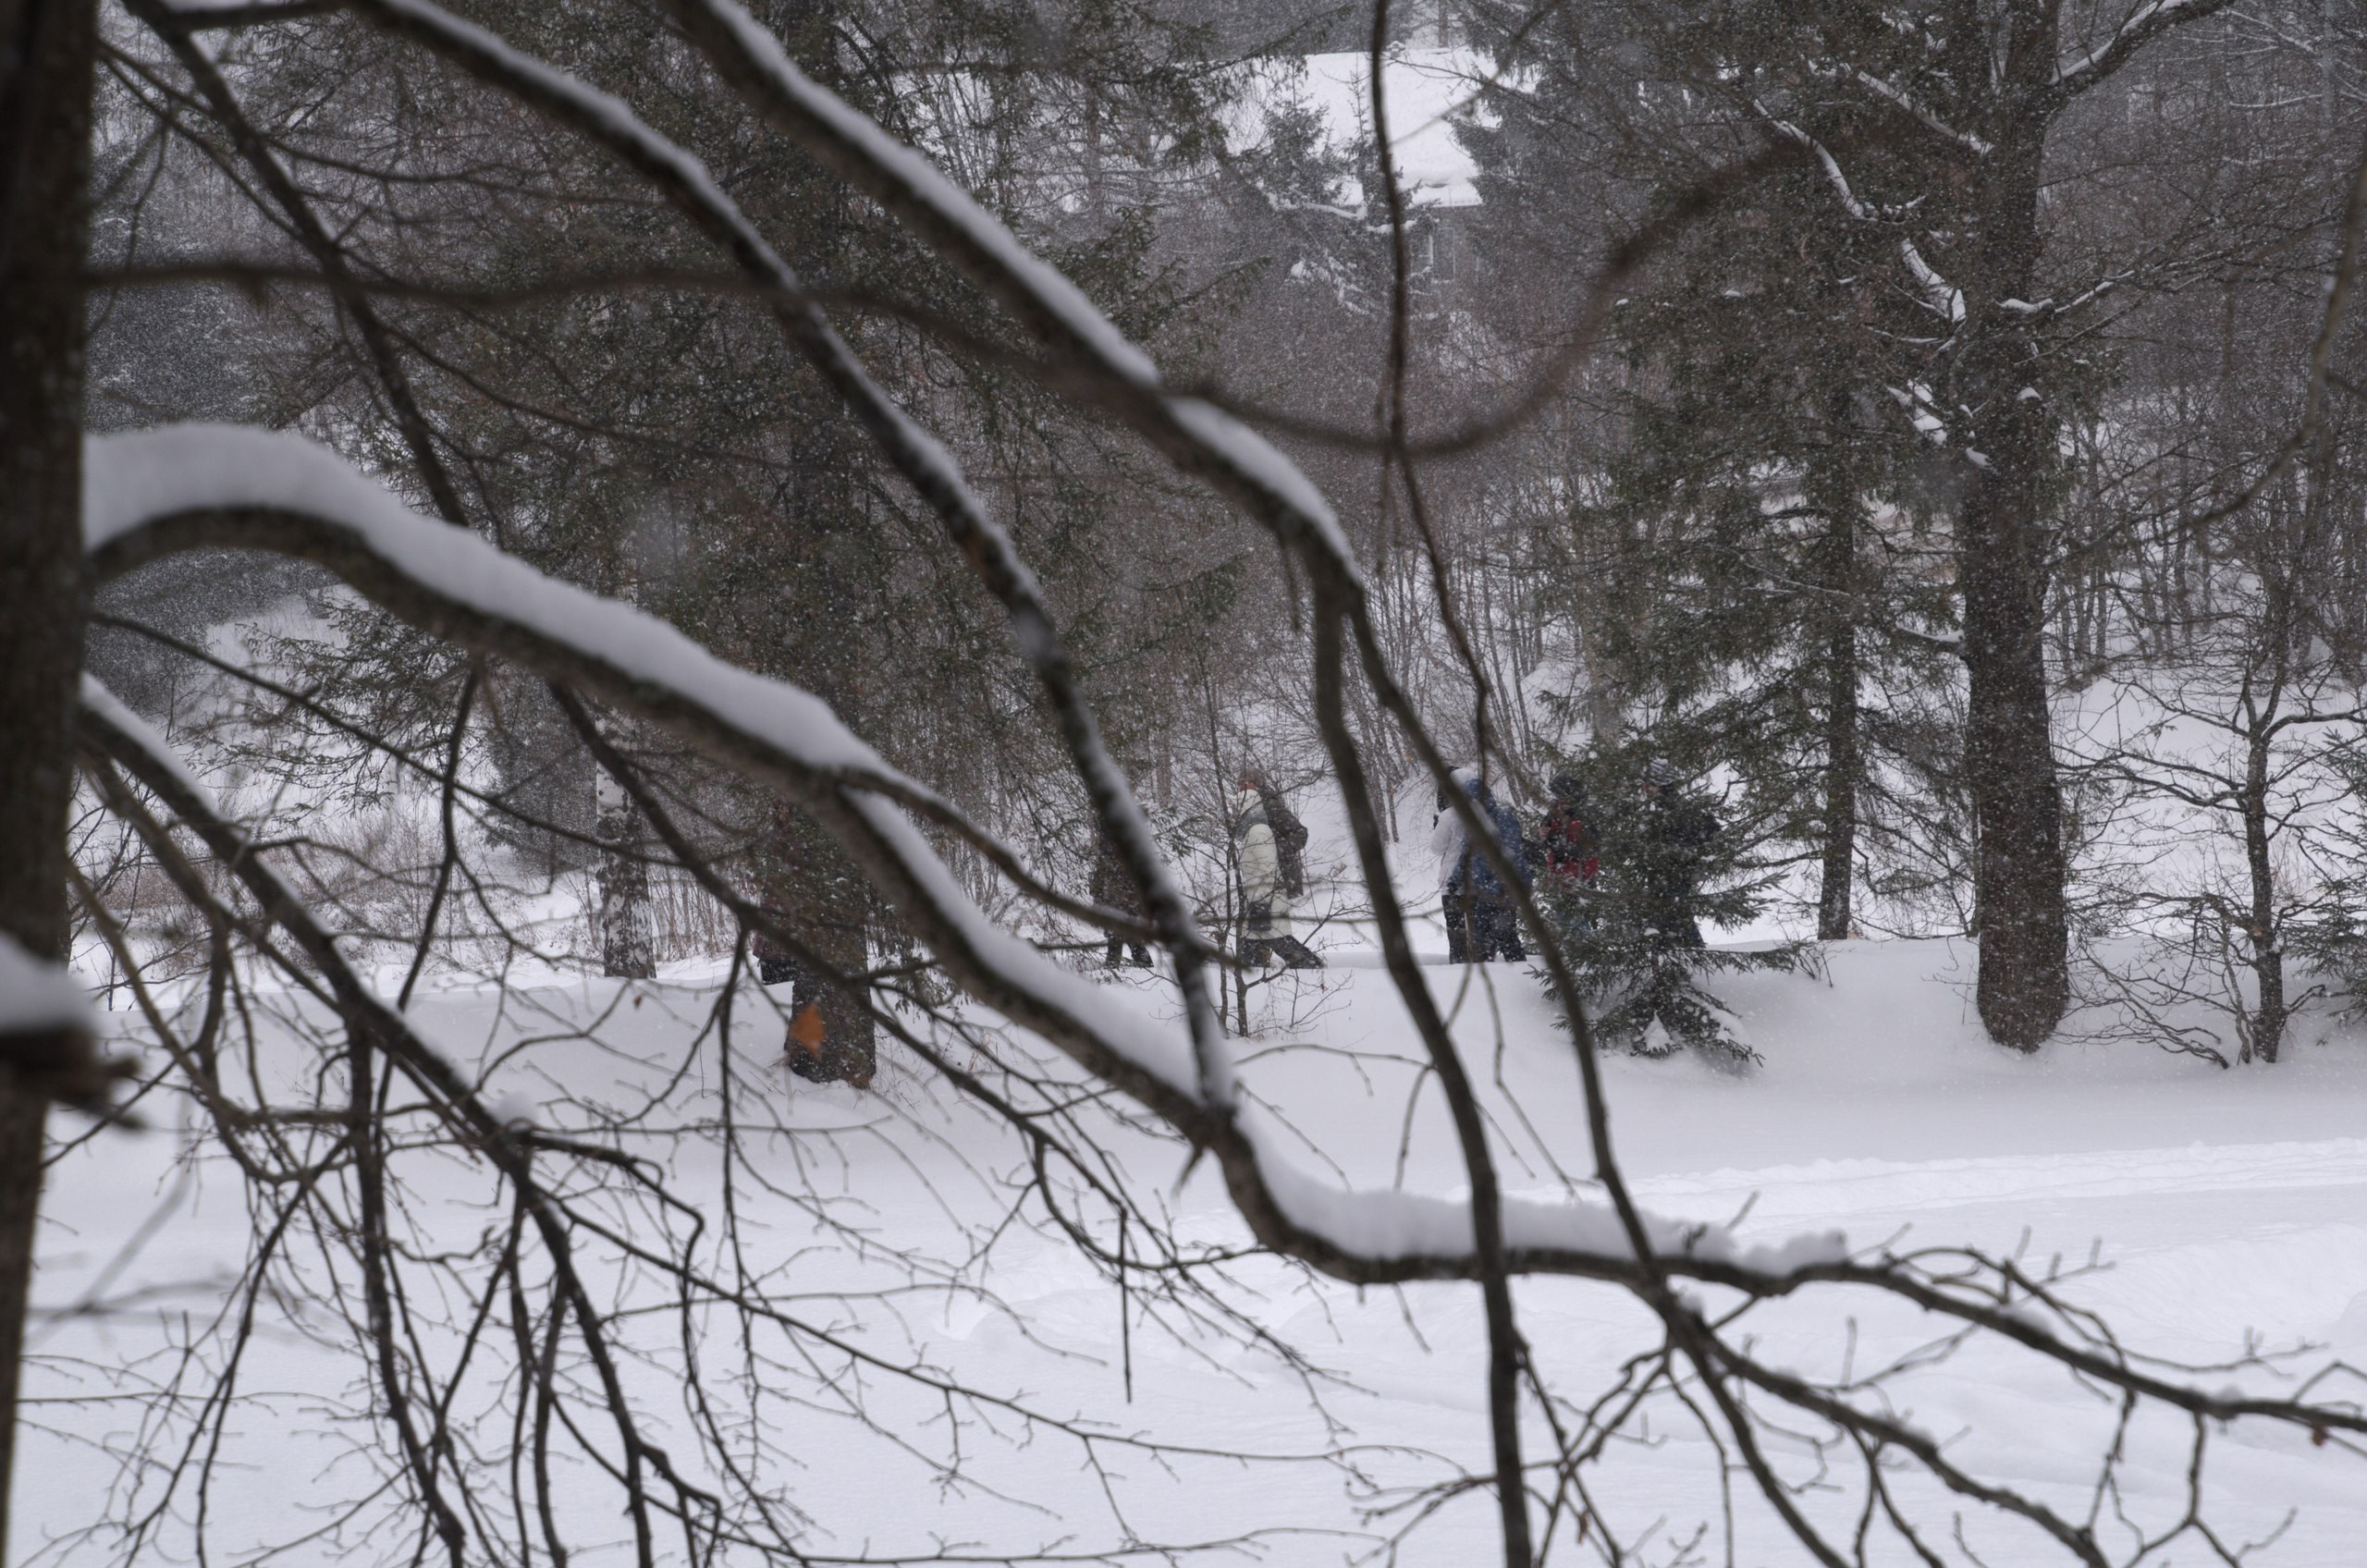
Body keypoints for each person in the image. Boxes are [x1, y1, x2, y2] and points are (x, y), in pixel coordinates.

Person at [1436, 766, 1529, 962]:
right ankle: (1484, 981)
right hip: (1481, 894)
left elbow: (1513, 856)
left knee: (1507, 937)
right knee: (1481, 945)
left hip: (1502, 892)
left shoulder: (1503, 819)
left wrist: (1498, 886)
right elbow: (1466, 856)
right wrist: (1455, 879)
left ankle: (1521, 979)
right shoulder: (1476, 823)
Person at [1233, 782, 1322, 970]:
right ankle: (1252, 972)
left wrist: (1260, 899)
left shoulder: (1258, 831)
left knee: (1277, 939)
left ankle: (1311, 965)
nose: (1235, 811)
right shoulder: (1251, 831)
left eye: (1238, 806)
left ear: (1246, 806)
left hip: (1266, 899)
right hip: (1260, 898)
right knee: (1254, 941)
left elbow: (1268, 868)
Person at [1637, 757, 1718, 950]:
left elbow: (1703, 834)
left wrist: (1677, 856)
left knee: (1675, 916)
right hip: (1664, 873)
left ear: (1660, 785)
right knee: (1673, 916)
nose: (1645, 788)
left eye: (1649, 784)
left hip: (1675, 873)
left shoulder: (1672, 808)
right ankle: (1683, 954)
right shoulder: (1657, 807)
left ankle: (1693, 953)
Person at [1088, 830, 1153, 969]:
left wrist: (1098, 895)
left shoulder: (1117, 852)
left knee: (1120, 934)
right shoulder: (1124, 851)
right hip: (1121, 899)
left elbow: (1101, 875)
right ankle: (1133, 962)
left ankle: (1115, 964)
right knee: (1122, 934)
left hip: (1122, 899)